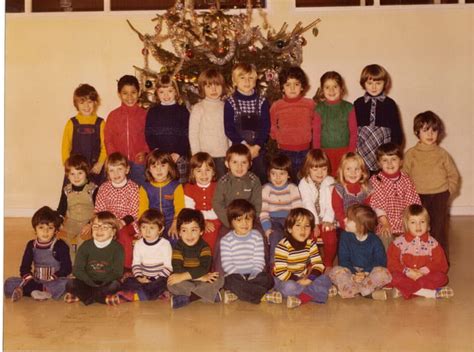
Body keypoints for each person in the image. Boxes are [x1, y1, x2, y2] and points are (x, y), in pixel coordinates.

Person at [403, 111, 460, 258]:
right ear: (417, 132)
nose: (430, 134)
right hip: (417, 196)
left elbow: (453, 175)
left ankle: (439, 259)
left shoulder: (442, 154)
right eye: (425, 130)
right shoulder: (411, 154)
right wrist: (407, 194)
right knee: (417, 228)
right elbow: (404, 176)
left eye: (434, 130)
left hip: (439, 195)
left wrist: (448, 191)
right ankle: (418, 258)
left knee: (438, 229)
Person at [5, 206, 72, 302]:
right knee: (9, 283)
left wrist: (54, 276)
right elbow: (24, 267)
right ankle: (39, 290)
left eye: (50, 228)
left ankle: (30, 291)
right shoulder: (31, 245)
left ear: (56, 230)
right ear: (35, 229)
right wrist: (29, 279)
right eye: (41, 227)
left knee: (68, 283)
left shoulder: (60, 245)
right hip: (36, 280)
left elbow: (67, 268)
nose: (45, 231)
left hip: (54, 281)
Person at [387, 204, 453, 299]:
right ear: (406, 224)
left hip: (424, 277)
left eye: (422, 222)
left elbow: (442, 265)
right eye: (413, 222)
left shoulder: (433, 243)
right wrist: (407, 271)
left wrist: (423, 271)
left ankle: (404, 290)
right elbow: (391, 263)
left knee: (442, 278)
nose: (418, 226)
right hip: (405, 275)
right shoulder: (398, 243)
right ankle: (429, 293)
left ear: (428, 225)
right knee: (391, 277)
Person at [220, 199, 277, 305]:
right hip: (236, 275)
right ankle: (263, 296)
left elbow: (259, 260)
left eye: (248, 219)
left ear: (253, 220)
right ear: (231, 222)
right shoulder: (226, 240)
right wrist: (240, 275)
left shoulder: (256, 236)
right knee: (228, 281)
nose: (244, 223)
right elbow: (227, 264)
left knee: (269, 279)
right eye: (239, 220)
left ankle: (238, 294)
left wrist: (255, 273)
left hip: (254, 275)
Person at [328, 205, 391, 300]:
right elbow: (343, 261)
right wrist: (353, 275)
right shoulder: (345, 236)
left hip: (369, 273)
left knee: (383, 273)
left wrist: (365, 273)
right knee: (335, 271)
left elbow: (380, 262)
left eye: (349, 219)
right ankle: (368, 293)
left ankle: (352, 291)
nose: (344, 220)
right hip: (350, 272)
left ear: (361, 227)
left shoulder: (375, 240)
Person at [273, 208, 332, 309]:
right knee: (289, 287)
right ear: (289, 228)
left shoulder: (311, 244)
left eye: (307, 226)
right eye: (298, 225)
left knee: (326, 279)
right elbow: (281, 272)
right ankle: (313, 293)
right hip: (284, 279)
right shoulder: (283, 246)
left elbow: (319, 265)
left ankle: (300, 298)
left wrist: (310, 279)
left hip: (304, 277)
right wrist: (299, 280)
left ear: (311, 229)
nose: (303, 230)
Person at [64, 211, 125, 305]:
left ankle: (87, 297)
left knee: (115, 285)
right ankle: (100, 298)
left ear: (113, 232)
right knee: (70, 284)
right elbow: (77, 269)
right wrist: (89, 281)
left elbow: (117, 272)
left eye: (105, 227)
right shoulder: (85, 246)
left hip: (106, 282)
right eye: (96, 226)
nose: (99, 230)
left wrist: (102, 282)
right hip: (87, 281)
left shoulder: (118, 248)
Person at [167, 209, 224, 309]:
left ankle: (187, 298)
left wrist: (201, 277)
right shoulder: (178, 247)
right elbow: (177, 269)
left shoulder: (204, 247)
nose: (189, 235)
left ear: (201, 231)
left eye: (193, 230)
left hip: (201, 280)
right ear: (179, 232)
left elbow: (204, 268)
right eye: (184, 230)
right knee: (171, 282)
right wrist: (200, 277)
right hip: (186, 280)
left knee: (219, 279)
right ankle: (209, 295)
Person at [224, 63, 270, 183]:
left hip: (257, 149)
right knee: (238, 180)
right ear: (234, 81)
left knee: (260, 178)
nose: (247, 81)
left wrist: (257, 146)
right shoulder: (230, 102)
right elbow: (229, 128)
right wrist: (245, 146)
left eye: (250, 78)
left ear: (255, 80)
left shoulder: (262, 101)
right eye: (242, 78)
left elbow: (265, 126)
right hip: (239, 149)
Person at [369, 143, 421, 250]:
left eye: (393, 159)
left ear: (401, 161)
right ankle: (387, 262)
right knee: (385, 237)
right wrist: (385, 223)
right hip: (385, 221)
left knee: (416, 238)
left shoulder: (406, 179)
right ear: (379, 163)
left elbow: (412, 202)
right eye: (385, 160)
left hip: (404, 221)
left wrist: (410, 222)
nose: (389, 163)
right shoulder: (376, 180)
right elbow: (377, 205)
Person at [354, 64, 404, 174]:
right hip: (362, 149)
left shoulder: (390, 104)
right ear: (363, 83)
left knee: (381, 179)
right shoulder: (358, 103)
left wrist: (392, 151)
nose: (374, 87)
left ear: (384, 83)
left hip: (383, 149)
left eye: (378, 83)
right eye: (370, 83)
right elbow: (352, 129)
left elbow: (396, 130)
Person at [94, 152, 140, 270]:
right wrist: (108, 223)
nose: (116, 174)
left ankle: (126, 267)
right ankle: (102, 265)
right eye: (112, 170)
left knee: (123, 235)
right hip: (108, 221)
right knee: (101, 233)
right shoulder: (104, 188)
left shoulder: (133, 187)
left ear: (127, 169)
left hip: (128, 222)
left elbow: (134, 212)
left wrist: (122, 222)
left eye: (119, 169)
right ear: (107, 172)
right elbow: (100, 209)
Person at [270, 66, 315, 181]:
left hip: (305, 151)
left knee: (304, 181)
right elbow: (272, 125)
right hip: (285, 151)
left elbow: (316, 124)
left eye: (296, 84)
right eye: (288, 84)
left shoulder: (310, 104)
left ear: (302, 87)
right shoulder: (277, 106)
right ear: (282, 88)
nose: (292, 88)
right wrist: (277, 136)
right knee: (287, 181)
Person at [145, 74, 190, 184]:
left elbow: (188, 134)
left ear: (176, 92)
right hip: (160, 159)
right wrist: (155, 150)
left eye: (169, 91)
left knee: (180, 187)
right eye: (162, 92)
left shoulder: (183, 111)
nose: (166, 95)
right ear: (157, 93)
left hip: (179, 157)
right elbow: (149, 133)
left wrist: (178, 153)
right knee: (163, 187)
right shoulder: (153, 112)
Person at [104, 75, 149, 186]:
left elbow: (150, 137)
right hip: (119, 166)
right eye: (125, 93)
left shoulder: (145, 115)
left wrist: (146, 152)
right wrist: (114, 158)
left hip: (139, 164)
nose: (129, 97)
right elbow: (108, 139)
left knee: (140, 194)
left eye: (133, 92)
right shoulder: (113, 116)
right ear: (119, 94)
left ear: (139, 93)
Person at [120, 209, 172, 301]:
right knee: (127, 281)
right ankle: (148, 293)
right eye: (144, 227)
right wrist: (139, 277)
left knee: (164, 282)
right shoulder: (138, 244)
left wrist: (152, 279)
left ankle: (138, 294)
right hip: (143, 277)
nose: (147, 231)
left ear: (161, 229)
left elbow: (168, 267)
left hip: (158, 278)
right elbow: (136, 264)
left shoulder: (165, 244)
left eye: (152, 228)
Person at [312, 71, 357, 177]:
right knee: (327, 179)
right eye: (327, 87)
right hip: (325, 153)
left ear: (341, 88)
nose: (331, 90)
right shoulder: (319, 109)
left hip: (344, 152)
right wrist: (317, 153)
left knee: (343, 178)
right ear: (322, 89)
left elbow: (353, 132)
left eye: (335, 87)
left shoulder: (349, 107)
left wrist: (350, 152)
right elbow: (316, 134)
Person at [61, 83, 106, 186]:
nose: (86, 106)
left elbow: (105, 146)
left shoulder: (101, 123)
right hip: (75, 171)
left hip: (95, 170)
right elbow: (65, 148)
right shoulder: (72, 123)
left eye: (89, 102)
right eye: (82, 103)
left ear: (95, 103)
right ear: (76, 104)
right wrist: (69, 168)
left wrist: (100, 163)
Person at [260, 154, 302, 264]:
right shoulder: (266, 189)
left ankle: (297, 264)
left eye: (282, 174)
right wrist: (267, 228)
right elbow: (263, 212)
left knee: (295, 236)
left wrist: (295, 225)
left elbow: (297, 209)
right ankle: (275, 264)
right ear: (269, 174)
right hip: (272, 220)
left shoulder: (292, 188)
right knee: (275, 235)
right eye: (274, 174)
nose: (278, 177)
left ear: (288, 175)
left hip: (289, 220)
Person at [298, 149, 337, 267]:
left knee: (331, 239)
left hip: (327, 218)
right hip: (309, 218)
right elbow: (307, 203)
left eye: (324, 169)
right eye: (315, 169)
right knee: (309, 238)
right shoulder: (304, 183)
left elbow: (332, 203)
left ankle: (328, 262)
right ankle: (311, 263)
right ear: (308, 169)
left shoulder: (330, 181)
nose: (320, 173)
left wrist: (328, 220)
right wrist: (313, 223)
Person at [189, 69, 229, 179]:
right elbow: (193, 133)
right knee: (206, 183)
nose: (213, 89)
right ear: (202, 89)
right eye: (208, 86)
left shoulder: (226, 107)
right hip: (204, 156)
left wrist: (230, 152)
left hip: (222, 155)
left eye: (217, 85)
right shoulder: (198, 108)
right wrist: (196, 155)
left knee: (222, 184)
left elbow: (230, 130)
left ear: (222, 86)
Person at [139, 150, 185, 246]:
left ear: (169, 167)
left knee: (175, 239)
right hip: (152, 224)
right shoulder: (145, 188)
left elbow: (180, 208)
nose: (158, 170)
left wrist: (175, 223)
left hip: (171, 222)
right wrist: (142, 228)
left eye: (163, 166)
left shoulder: (176, 186)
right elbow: (142, 210)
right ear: (149, 169)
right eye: (154, 166)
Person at [212, 144, 262, 230]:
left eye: (243, 162)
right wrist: (229, 223)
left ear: (250, 164)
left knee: (260, 237)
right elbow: (217, 204)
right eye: (235, 162)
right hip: (229, 221)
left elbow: (257, 203)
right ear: (227, 164)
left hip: (249, 221)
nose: (239, 166)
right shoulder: (223, 182)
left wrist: (249, 221)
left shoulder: (254, 180)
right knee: (221, 241)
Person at [56, 154, 98, 255]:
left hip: (88, 223)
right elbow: (61, 209)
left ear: (86, 173)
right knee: (62, 240)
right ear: (68, 175)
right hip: (71, 222)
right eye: (72, 174)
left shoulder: (93, 189)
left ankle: (80, 266)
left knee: (83, 242)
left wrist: (90, 224)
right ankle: (70, 264)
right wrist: (59, 222)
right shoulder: (66, 190)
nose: (76, 177)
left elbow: (98, 210)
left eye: (80, 173)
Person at [184, 152, 221, 254]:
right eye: (199, 171)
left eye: (208, 170)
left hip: (215, 221)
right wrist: (202, 221)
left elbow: (217, 210)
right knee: (190, 233)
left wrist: (202, 218)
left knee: (211, 235)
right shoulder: (188, 188)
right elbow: (189, 210)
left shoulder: (218, 187)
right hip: (194, 221)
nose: (204, 175)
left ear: (213, 172)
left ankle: (209, 264)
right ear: (192, 173)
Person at [332, 152, 371, 230]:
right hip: (343, 223)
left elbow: (369, 208)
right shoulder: (339, 189)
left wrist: (363, 224)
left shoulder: (366, 187)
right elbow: (338, 211)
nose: (353, 173)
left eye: (356, 169)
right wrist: (346, 225)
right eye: (348, 169)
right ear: (342, 171)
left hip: (361, 223)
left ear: (362, 171)